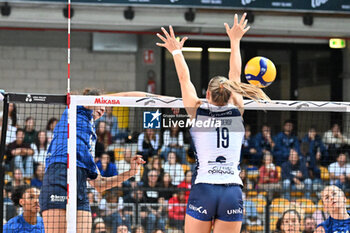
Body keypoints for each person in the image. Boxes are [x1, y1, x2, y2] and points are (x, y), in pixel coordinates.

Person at [156, 13, 269, 233]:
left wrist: (176, 51)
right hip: (231, 191)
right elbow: (235, 73)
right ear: (230, 93)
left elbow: (183, 79)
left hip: (205, 188)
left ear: (207, 94)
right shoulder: (237, 109)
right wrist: (235, 40)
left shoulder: (197, 110)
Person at [39, 88, 147, 233]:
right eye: (101, 103)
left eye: (105, 106)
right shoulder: (76, 109)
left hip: (80, 181)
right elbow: (127, 95)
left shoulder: (90, 137)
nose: (103, 109)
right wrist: (159, 98)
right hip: (59, 174)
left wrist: (131, 172)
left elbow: (100, 184)